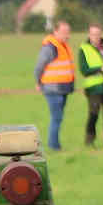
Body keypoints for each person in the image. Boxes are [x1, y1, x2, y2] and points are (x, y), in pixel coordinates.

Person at [33, 21, 74, 151]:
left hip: (64, 88)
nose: (66, 35)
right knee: (57, 117)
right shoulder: (50, 48)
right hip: (52, 88)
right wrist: (38, 82)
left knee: (58, 117)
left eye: (68, 32)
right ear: (55, 32)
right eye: (63, 32)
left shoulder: (64, 46)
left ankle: (54, 144)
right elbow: (39, 66)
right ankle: (53, 146)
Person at [76, 22, 103, 147]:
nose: (95, 37)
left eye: (98, 34)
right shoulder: (84, 48)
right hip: (94, 88)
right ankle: (89, 141)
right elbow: (84, 70)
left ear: (101, 34)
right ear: (89, 35)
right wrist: (100, 68)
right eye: (93, 34)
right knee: (94, 114)